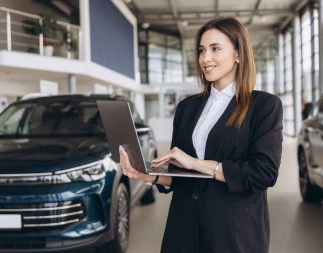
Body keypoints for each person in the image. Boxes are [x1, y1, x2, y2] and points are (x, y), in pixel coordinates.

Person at [119, 16, 283, 253]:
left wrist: (196, 163)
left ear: (238, 54)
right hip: (184, 231)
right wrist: (146, 175)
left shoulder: (264, 106)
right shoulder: (188, 108)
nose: (205, 58)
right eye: (201, 50)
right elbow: (178, 175)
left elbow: (262, 174)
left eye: (215, 49)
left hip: (233, 234)